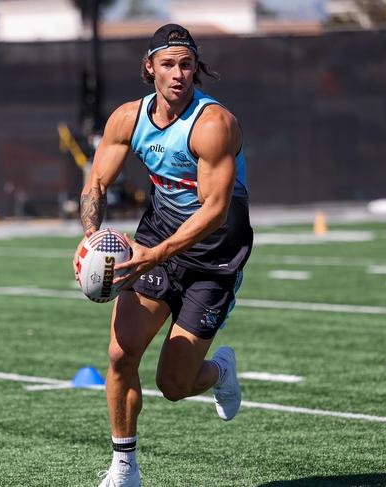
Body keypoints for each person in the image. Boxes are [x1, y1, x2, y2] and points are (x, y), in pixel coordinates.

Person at [73, 24, 253, 487]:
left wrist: (156, 255)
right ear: (149, 67)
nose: (178, 74)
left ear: (196, 69)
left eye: (187, 64)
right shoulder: (127, 120)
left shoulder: (214, 124)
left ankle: (219, 372)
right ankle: (124, 468)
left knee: (173, 386)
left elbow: (214, 211)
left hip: (214, 257)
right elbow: (95, 184)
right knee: (119, 355)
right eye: (168, 64)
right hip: (156, 242)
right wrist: (91, 236)